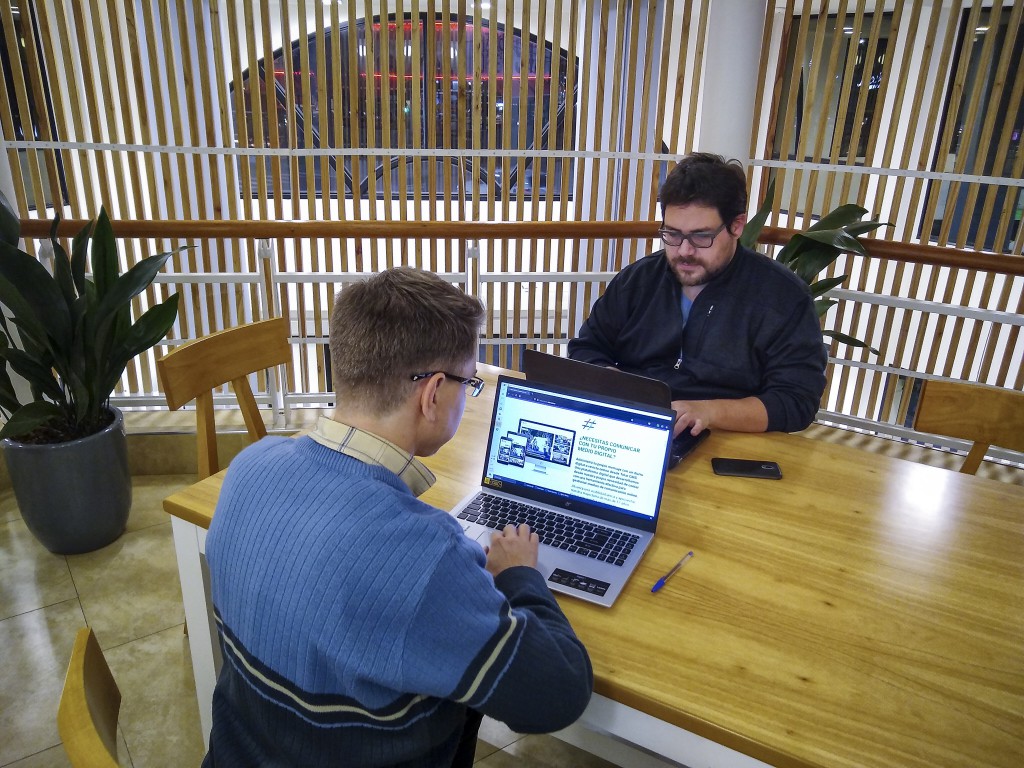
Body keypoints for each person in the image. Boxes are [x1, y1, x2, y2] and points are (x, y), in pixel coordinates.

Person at [202, 267, 592, 767]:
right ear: (432, 394)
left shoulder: (248, 468)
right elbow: (559, 693)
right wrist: (519, 574)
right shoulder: (429, 557)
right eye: (468, 383)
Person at [568, 152, 827, 436]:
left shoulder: (783, 298)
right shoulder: (639, 280)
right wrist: (607, 377)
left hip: (730, 439)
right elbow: (587, 347)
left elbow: (795, 401)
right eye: (672, 234)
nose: (684, 251)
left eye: (701, 236)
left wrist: (707, 411)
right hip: (636, 431)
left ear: (737, 225)